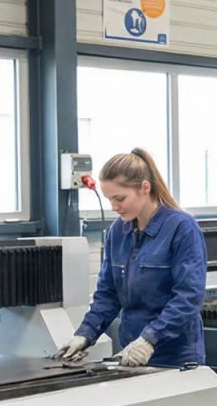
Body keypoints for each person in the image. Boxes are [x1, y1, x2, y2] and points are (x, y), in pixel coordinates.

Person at [57, 148, 208, 367]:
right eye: (109, 199)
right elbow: (108, 294)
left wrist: (150, 340)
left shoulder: (182, 228)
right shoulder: (117, 232)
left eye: (120, 198)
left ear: (144, 188)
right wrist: (85, 334)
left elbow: (188, 297)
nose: (114, 207)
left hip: (176, 357)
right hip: (130, 355)